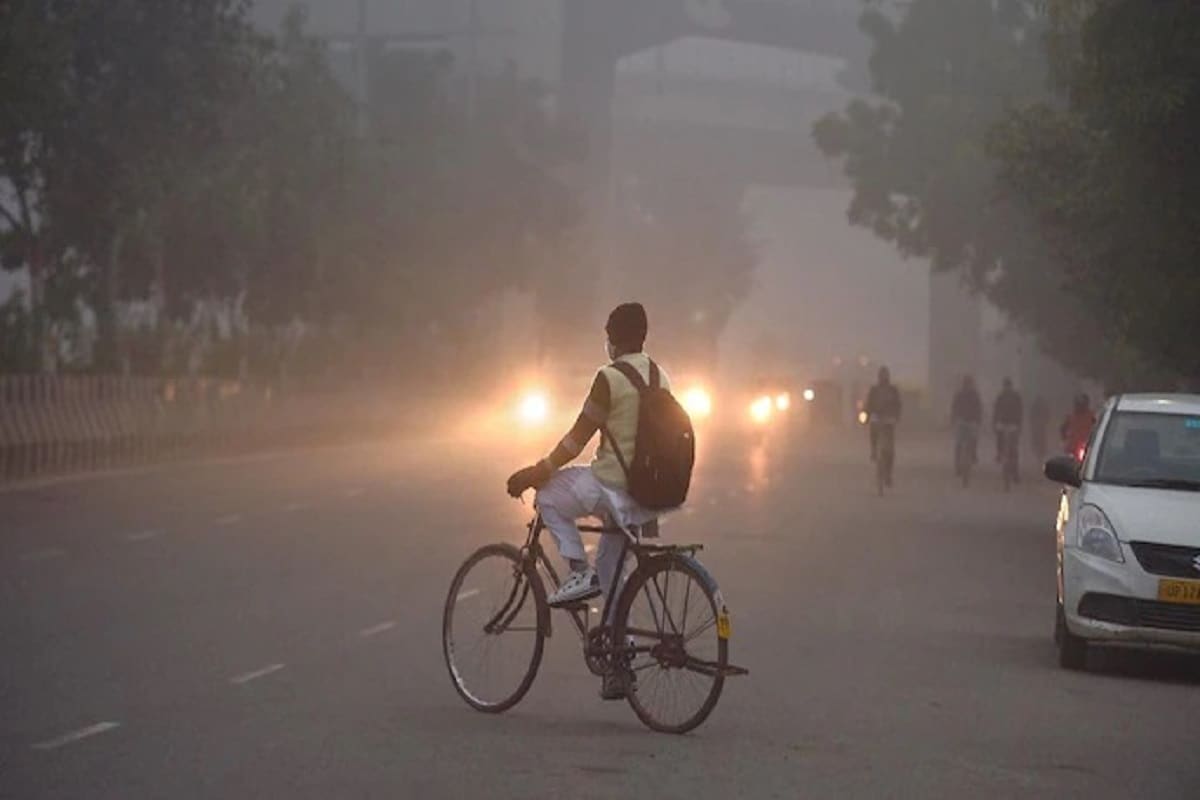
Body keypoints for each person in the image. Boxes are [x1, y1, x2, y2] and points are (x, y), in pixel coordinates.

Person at [505, 302, 669, 700]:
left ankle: (578, 571)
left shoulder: (609, 377)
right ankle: (617, 664)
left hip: (610, 485)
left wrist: (537, 470)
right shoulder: (660, 376)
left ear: (613, 340)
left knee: (549, 495)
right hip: (646, 493)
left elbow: (577, 438)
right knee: (613, 574)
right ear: (643, 337)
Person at [863, 366, 902, 464]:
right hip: (877, 417)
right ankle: (874, 450)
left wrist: (896, 417)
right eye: (882, 375)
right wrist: (866, 416)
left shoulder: (893, 390)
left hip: (888, 419)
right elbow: (869, 404)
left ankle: (890, 457)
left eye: (885, 375)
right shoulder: (874, 390)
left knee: (890, 444)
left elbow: (897, 405)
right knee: (873, 430)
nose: (883, 377)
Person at [992, 378, 1024, 478]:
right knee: (1000, 439)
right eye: (1006, 386)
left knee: (1013, 448)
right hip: (1003, 423)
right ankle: (999, 453)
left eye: (1008, 386)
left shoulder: (1015, 397)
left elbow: (1020, 411)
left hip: (1013, 423)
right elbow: (996, 411)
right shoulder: (1000, 397)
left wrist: (1019, 425)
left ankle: (1015, 472)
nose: (1007, 388)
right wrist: (994, 423)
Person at [951, 375, 983, 466]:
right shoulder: (974, 395)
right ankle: (963, 459)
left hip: (965, 420)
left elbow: (954, 408)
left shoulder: (960, 394)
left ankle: (969, 456)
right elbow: (979, 409)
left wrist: (953, 419)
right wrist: (978, 420)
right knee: (962, 442)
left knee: (966, 441)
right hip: (966, 421)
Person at [1061, 393, 1096, 460]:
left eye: (1082, 404)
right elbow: (1063, 429)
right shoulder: (1071, 416)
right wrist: (1064, 440)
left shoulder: (1092, 416)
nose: (1080, 407)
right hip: (1072, 448)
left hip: (1088, 447)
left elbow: (1097, 428)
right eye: (1079, 404)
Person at [1030, 395, 1050, 461]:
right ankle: (1041, 451)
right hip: (1041, 425)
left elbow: (1031, 415)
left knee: (1038, 439)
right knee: (1041, 439)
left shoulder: (1034, 405)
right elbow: (1047, 414)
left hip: (1038, 425)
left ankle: (1039, 451)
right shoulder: (1042, 405)